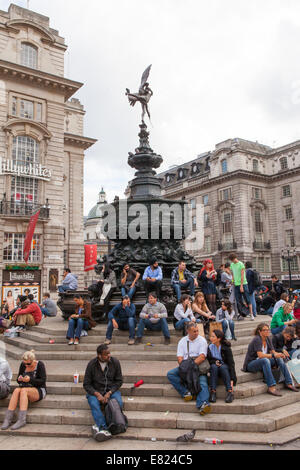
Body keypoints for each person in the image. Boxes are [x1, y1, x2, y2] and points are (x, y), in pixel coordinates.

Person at [167, 322, 211, 415]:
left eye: (197, 331)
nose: (196, 333)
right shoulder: (182, 341)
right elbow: (179, 358)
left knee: (203, 383)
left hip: (198, 366)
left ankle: (203, 404)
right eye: (194, 331)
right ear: (188, 331)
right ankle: (186, 393)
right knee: (170, 374)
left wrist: (191, 366)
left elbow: (202, 356)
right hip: (186, 365)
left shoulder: (202, 340)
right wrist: (184, 367)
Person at [243, 323, 298, 396]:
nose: (267, 331)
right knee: (265, 360)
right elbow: (260, 355)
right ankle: (271, 387)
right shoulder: (257, 339)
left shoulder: (268, 338)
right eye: (264, 330)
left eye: (268, 330)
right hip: (251, 364)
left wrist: (279, 354)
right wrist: (274, 355)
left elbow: (273, 351)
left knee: (279, 359)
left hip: (262, 361)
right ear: (260, 331)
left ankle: (289, 383)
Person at [83, 344, 123, 442]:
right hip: (95, 391)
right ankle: (103, 428)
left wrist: (109, 392)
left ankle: (113, 425)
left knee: (118, 403)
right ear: (99, 355)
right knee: (94, 404)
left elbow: (119, 381)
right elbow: (86, 384)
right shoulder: (91, 364)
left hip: (111, 390)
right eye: (106, 354)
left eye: (109, 353)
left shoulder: (115, 362)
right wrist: (97, 394)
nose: (109, 355)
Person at [1, 350, 47, 430]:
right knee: (16, 390)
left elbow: (42, 381)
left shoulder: (40, 364)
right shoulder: (23, 365)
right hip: (25, 387)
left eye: (28, 364)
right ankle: (7, 419)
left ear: (33, 360)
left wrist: (30, 380)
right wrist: (20, 379)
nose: (26, 365)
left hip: (38, 389)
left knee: (23, 391)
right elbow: (18, 381)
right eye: (25, 363)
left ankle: (21, 420)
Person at [207, 329, 237, 403]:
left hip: (224, 367)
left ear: (219, 338)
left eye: (213, 336)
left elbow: (231, 364)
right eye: (211, 336)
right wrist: (214, 361)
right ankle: (213, 391)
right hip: (215, 368)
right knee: (213, 367)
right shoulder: (210, 347)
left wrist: (232, 379)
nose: (211, 338)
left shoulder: (226, 348)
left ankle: (230, 391)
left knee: (223, 367)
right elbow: (209, 360)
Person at [228, 253, 254, 320]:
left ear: (234, 258)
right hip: (236, 284)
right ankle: (242, 314)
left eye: (232, 260)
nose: (232, 261)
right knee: (238, 300)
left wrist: (241, 285)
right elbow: (233, 273)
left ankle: (251, 314)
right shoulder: (232, 265)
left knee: (247, 299)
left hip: (243, 284)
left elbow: (242, 275)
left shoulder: (241, 264)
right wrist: (232, 281)